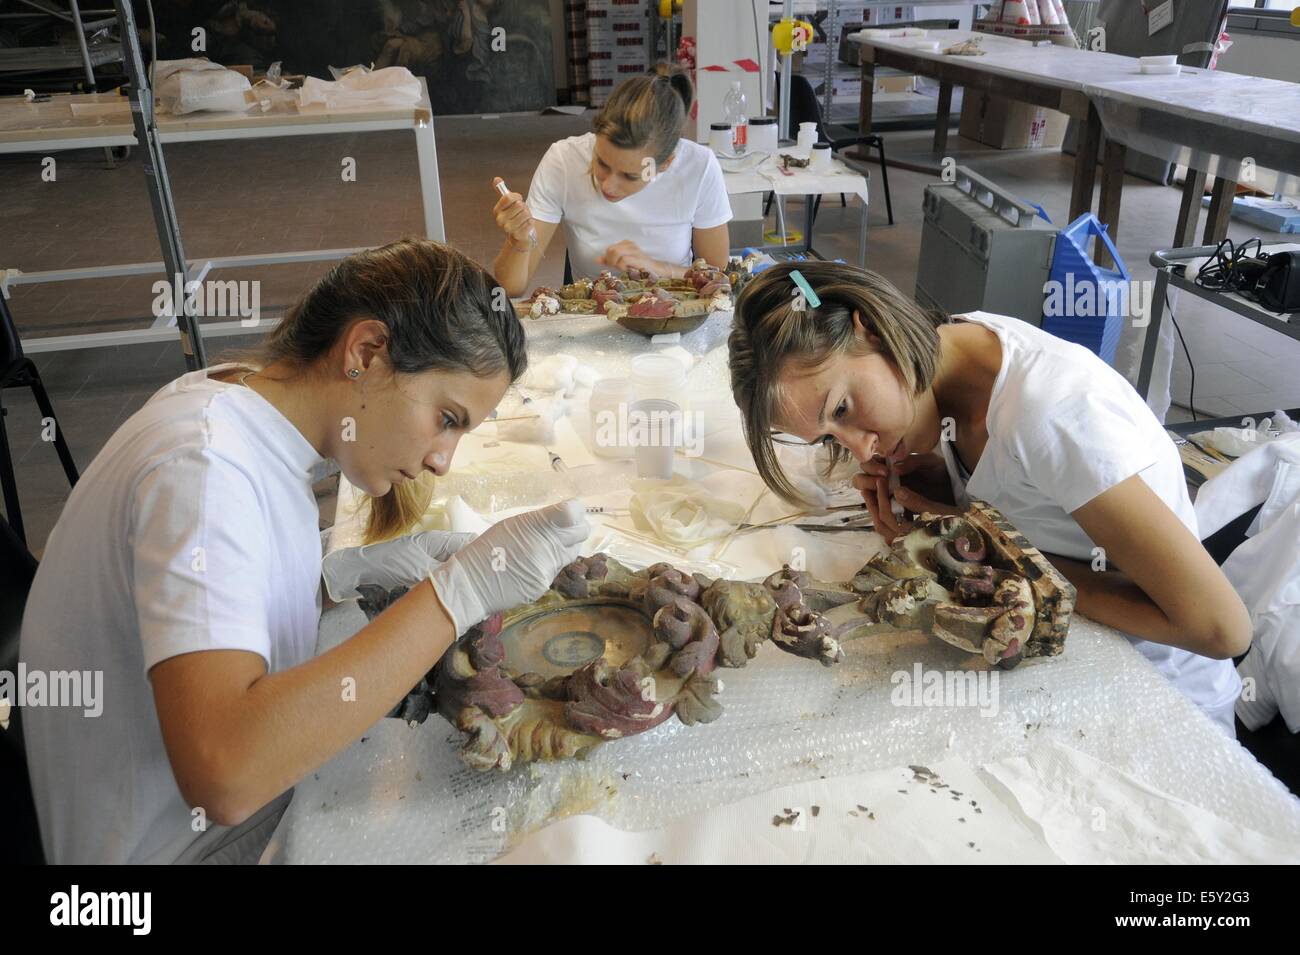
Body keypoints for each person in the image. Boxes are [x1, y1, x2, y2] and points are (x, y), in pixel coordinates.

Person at [19, 239, 590, 863]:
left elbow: (228, 581)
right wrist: (457, 594)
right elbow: (228, 772)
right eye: (446, 417)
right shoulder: (203, 470)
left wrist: (344, 574)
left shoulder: (237, 408)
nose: (441, 460)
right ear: (366, 352)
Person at [727, 262, 1251, 732]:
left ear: (870, 326)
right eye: (827, 438)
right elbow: (1024, 491)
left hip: (1160, 697)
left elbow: (1219, 628)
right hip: (1068, 660)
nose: (860, 449)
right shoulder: (954, 350)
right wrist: (938, 482)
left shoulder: (1049, 414)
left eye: (842, 409)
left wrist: (989, 557)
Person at [491, 64, 732, 296]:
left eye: (630, 176)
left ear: (666, 163)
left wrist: (656, 268)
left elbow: (717, 278)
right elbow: (510, 288)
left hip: (676, 308)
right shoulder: (564, 160)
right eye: (602, 162)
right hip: (592, 314)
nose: (607, 185)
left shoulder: (698, 167)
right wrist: (518, 240)